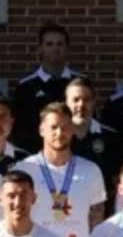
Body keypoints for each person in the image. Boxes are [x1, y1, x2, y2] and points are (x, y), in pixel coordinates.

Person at [15, 103, 108, 237]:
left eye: (65, 127)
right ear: (41, 130)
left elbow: (97, 220)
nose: (59, 133)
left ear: (72, 130)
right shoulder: (24, 169)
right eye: (54, 127)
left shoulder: (91, 170)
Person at [11, 23, 82, 152]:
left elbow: (86, 123)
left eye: (60, 44)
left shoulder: (80, 84)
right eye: (49, 44)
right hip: (36, 158)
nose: (55, 48)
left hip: (75, 155)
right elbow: (19, 130)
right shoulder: (26, 87)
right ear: (40, 49)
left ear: (67, 49)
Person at [64, 76, 123, 191]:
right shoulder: (58, 137)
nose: (81, 105)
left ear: (94, 102)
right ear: (66, 103)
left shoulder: (110, 137)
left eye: (86, 99)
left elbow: (117, 180)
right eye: (76, 100)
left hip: (100, 206)